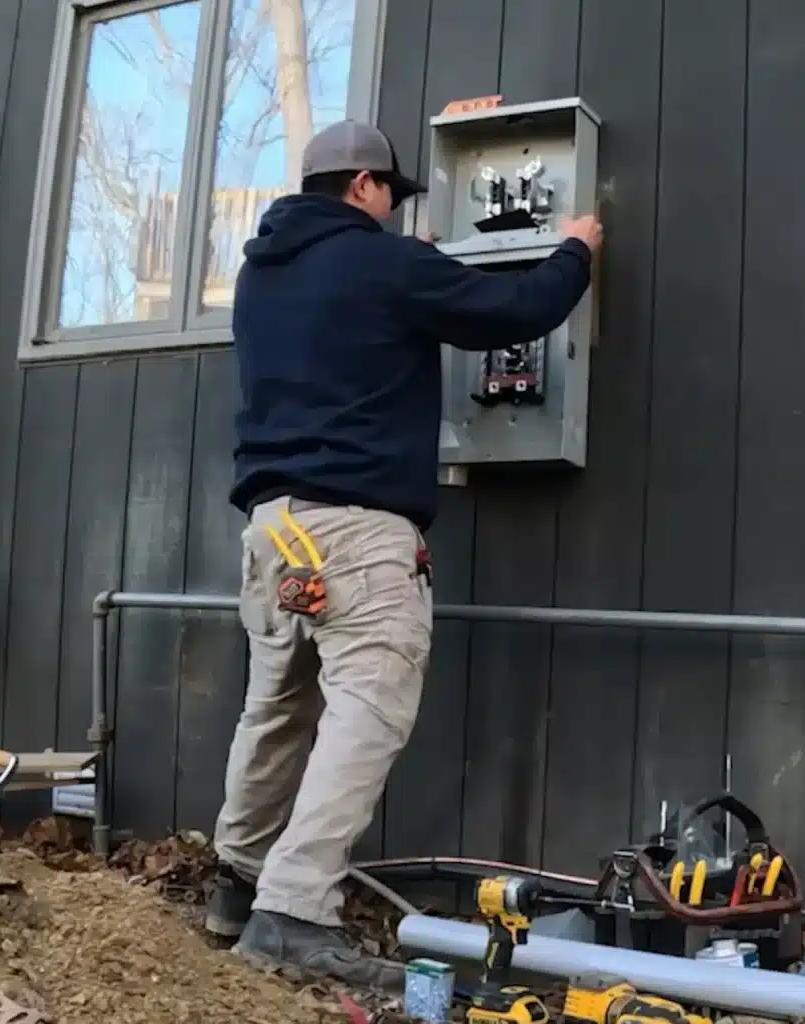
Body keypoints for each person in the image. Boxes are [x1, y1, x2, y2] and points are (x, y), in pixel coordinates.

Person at [207, 119, 603, 989]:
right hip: (355, 531)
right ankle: (292, 911)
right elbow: (516, 310)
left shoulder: (261, 272)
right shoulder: (382, 264)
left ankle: (233, 886)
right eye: (390, 192)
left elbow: (353, 326)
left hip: (272, 532)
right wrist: (573, 250)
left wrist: (411, 270)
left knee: (276, 710)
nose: (394, 210)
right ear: (360, 186)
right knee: (368, 711)